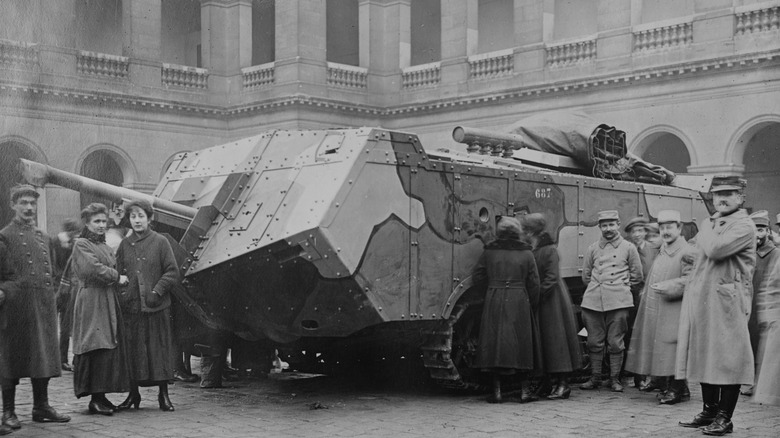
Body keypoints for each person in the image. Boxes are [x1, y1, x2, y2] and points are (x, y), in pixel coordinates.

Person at [677, 176, 756, 436]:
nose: (721, 199)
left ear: (741, 197)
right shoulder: (714, 223)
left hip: (729, 300)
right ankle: (709, 410)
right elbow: (689, 252)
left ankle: (725, 417)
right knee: (705, 353)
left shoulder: (743, 225)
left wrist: (705, 226)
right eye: (717, 194)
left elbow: (716, 250)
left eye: (729, 193)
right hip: (705, 298)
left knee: (728, 358)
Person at [0, 185, 71, 434]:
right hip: (15, 308)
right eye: (23, 203)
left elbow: (56, 269)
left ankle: (41, 407)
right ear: (13, 205)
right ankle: (8, 412)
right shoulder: (4, 236)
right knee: (10, 359)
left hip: (42, 306)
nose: (29, 208)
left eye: (32, 203)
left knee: (42, 355)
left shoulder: (44, 237)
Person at [625, 210, 695, 405]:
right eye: (662, 227)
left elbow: (692, 279)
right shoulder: (664, 249)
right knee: (663, 348)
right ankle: (674, 386)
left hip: (675, 308)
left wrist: (670, 286)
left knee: (673, 348)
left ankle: (676, 389)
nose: (665, 231)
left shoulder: (687, 251)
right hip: (660, 307)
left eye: (670, 227)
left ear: (679, 228)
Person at [116, 200, 178, 411]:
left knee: (158, 351)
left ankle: (164, 396)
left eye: (141, 216)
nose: (137, 220)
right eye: (133, 216)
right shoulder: (125, 244)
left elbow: (172, 272)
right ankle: (134, 395)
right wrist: (124, 291)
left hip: (156, 307)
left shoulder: (161, 242)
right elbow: (119, 271)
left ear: (149, 218)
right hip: (132, 308)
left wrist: (157, 291)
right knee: (134, 353)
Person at [471, 216, 541, 403]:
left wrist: (490, 290)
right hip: (519, 299)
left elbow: (477, 275)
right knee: (522, 344)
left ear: (499, 231)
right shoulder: (527, 253)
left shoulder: (489, 252)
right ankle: (525, 392)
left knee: (495, 344)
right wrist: (530, 302)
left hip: (494, 296)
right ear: (518, 232)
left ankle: (497, 392)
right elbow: (534, 283)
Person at [71, 203, 132, 415]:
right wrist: (117, 277)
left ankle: (101, 396)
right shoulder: (81, 244)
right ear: (87, 223)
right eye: (96, 221)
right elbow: (92, 269)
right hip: (92, 300)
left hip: (106, 298)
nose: (101, 225)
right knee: (95, 344)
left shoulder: (105, 246)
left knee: (106, 345)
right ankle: (94, 399)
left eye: (104, 221)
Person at [579, 210, 643, 392]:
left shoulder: (629, 248)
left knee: (615, 342)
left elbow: (637, 276)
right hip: (593, 301)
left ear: (618, 224)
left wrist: (621, 289)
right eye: (604, 225)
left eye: (611, 225)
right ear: (599, 227)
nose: (608, 229)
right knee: (594, 341)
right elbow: (586, 275)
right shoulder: (592, 248)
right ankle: (595, 378)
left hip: (618, 301)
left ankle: (615, 379)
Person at [522, 213, 581, 400]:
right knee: (546, 343)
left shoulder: (549, 250)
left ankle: (563, 385)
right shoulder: (536, 249)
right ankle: (547, 384)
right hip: (544, 299)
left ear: (531, 232)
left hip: (552, 301)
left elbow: (552, 278)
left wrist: (536, 295)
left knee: (556, 343)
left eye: (524, 230)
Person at [746, 211, 780, 406]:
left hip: (766, 306)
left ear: (768, 231)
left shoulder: (775, 253)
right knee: (751, 341)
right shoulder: (748, 252)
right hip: (750, 303)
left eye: (761, 230)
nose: (757, 234)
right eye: (754, 230)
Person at [624, 216, 660, 391]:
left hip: (651, 296)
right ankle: (638, 377)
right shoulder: (628, 249)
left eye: (640, 230)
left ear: (645, 232)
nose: (637, 234)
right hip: (633, 297)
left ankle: (653, 377)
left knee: (651, 335)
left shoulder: (654, 249)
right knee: (635, 335)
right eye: (633, 231)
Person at [54, 218, 81, 372]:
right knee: (65, 326)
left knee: (72, 326)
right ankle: (62, 359)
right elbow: (55, 266)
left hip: (71, 288)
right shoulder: (57, 242)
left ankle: (73, 359)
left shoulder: (74, 243)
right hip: (63, 289)